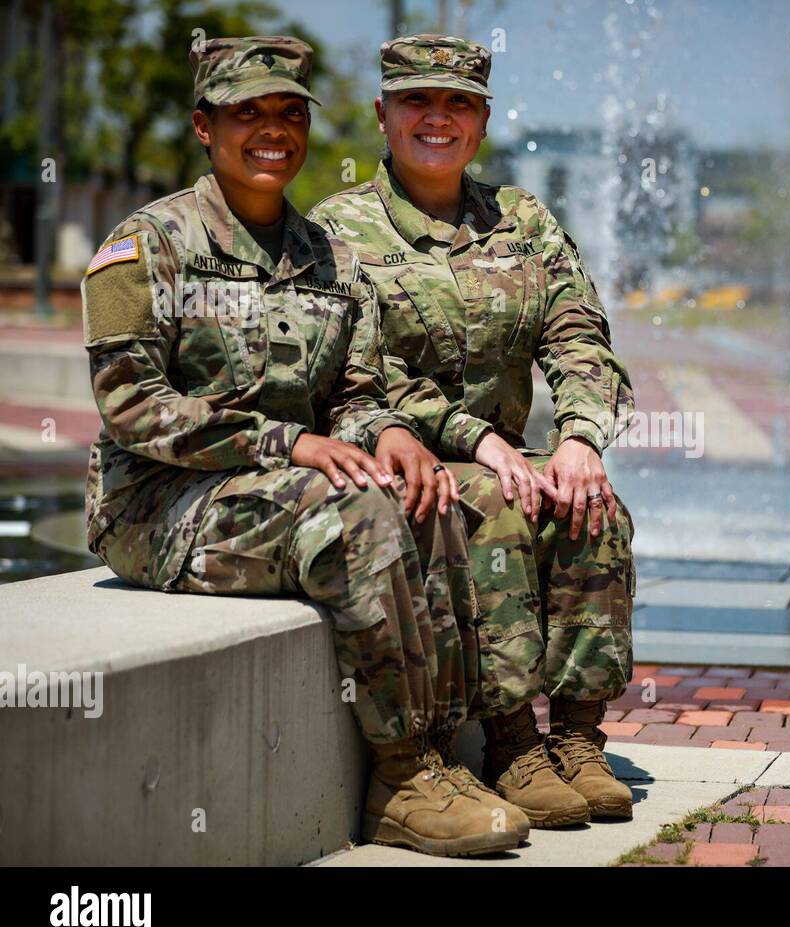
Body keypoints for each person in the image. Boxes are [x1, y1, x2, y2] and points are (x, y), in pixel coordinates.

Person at [82, 36, 527, 857]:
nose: (273, 131)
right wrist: (290, 443)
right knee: (359, 515)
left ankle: (452, 750)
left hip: (274, 491)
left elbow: (354, 394)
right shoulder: (150, 246)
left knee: (430, 493)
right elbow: (129, 407)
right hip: (157, 507)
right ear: (202, 127)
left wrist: (391, 434)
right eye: (247, 114)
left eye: (289, 113)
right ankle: (399, 777)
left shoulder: (327, 256)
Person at [310, 34, 636, 826]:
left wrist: (580, 437)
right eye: (418, 101)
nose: (437, 119)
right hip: (404, 458)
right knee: (493, 505)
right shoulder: (335, 231)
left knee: (594, 505)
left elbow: (578, 336)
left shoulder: (523, 220)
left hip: (511, 456)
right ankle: (514, 740)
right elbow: (357, 375)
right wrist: (472, 434)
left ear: (482, 122)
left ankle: (581, 737)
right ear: (382, 114)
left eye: (458, 103)